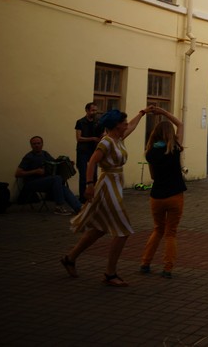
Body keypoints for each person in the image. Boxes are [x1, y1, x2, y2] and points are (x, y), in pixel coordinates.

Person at [61, 107, 150, 287]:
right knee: (123, 230)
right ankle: (110, 273)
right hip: (107, 186)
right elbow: (92, 162)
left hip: (115, 184)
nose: (126, 124)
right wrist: (89, 184)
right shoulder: (107, 142)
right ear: (116, 125)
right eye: (123, 122)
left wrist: (142, 113)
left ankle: (70, 258)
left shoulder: (118, 139)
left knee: (99, 228)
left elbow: (132, 126)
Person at [139, 107, 186, 279]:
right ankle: (167, 268)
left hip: (157, 196)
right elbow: (180, 124)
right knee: (170, 232)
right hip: (175, 195)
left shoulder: (150, 153)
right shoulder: (174, 148)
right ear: (170, 134)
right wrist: (164, 113)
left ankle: (145, 263)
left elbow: (152, 176)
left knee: (158, 229)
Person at [15, 136, 82, 215]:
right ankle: (59, 206)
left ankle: (79, 208)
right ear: (31, 145)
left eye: (38, 143)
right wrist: (35, 171)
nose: (36, 145)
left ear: (42, 144)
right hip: (31, 183)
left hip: (45, 182)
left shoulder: (45, 154)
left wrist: (68, 164)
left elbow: (55, 163)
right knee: (56, 178)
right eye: (34, 144)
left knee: (62, 187)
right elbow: (18, 173)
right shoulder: (29, 157)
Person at [74, 102, 102, 201]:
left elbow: (102, 134)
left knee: (94, 175)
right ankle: (82, 198)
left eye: (96, 110)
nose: (94, 112)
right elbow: (79, 138)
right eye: (92, 110)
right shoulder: (80, 122)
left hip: (93, 151)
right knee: (83, 175)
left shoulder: (98, 122)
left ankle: (93, 196)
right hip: (83, 151)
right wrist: (92, 139)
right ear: (87, 110)